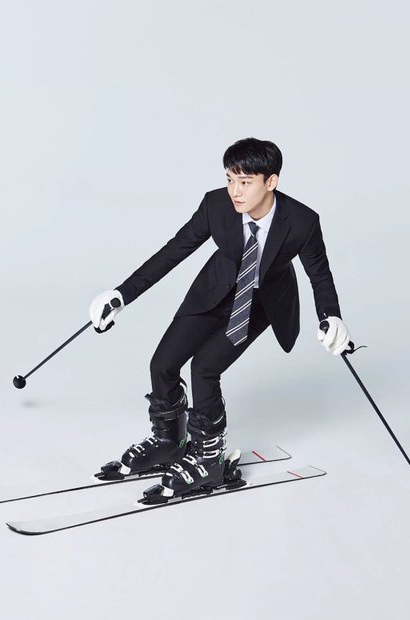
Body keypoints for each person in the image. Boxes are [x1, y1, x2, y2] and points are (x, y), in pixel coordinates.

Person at [88, 137, 351, 501]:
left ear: (271, 182)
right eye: (230, 179)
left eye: (245, 182)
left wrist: (331, 317)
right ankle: (169, 442)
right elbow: (174, 251)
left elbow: (319, 275)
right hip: (213, 292)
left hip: (257, 303)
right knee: (162, 364)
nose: (235, 191)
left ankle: (209, 459)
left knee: (204, 369)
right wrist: (122, 294)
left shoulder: (302, 221)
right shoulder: (215, 205)